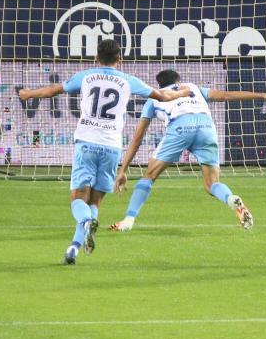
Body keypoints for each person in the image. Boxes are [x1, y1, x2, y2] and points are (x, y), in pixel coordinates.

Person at [18, 40, 189, 265]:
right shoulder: (128, 80)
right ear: (119, 59)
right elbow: (164, 97)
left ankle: (86, 224)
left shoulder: (86, 76)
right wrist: (183, 92)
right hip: (111, 146)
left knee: (78, 199)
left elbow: (53, 91)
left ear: (96, 58)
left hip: (86, 143)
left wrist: (29, 93)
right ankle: (74, 248)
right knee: (95, 202)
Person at [109, 69, 266, 232]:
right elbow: (225, 95)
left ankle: (128, 221)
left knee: (149, 176)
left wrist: (123, 169)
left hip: (180, 127)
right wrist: (263, 95)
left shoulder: (155, 98)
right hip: (206, 127)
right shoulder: (193, 88)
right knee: (211, 185)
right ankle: (232, 199)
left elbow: (138, 138)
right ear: (178, 80)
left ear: (159, 85)